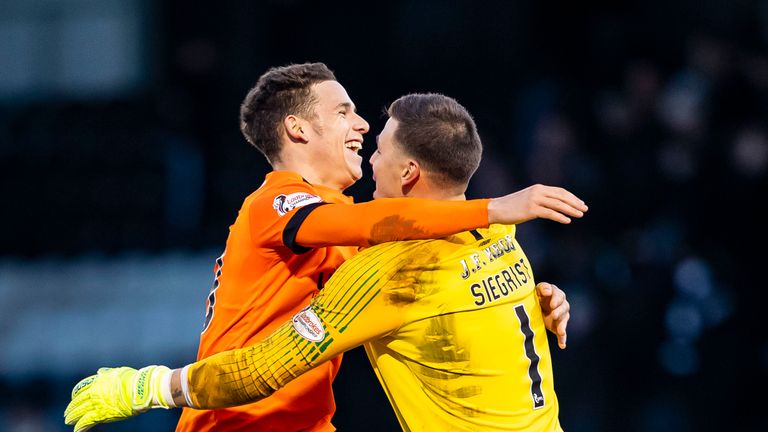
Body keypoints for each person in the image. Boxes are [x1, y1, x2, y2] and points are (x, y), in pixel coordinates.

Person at [65, 93, 577, 431]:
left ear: (409, 173)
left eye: (379, 149)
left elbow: (261, 370)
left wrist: (144, 386)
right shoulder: (501, 237)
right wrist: (539, 299)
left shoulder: (388, 273)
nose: (370, 155)